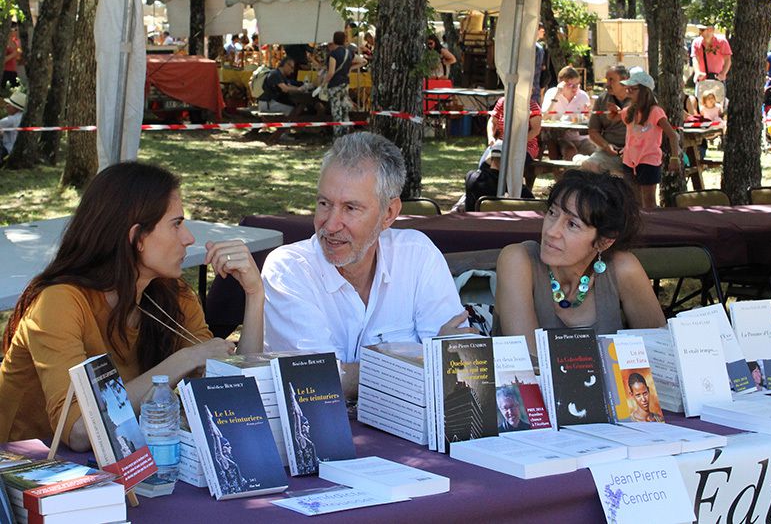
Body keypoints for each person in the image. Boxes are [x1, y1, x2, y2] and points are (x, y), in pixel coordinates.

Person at [0, 162, 265, 450]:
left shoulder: (171, 294)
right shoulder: (59, 301)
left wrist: (254, 295)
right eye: (176, 224)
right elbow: (79, 431)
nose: (189, 238)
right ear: (136, 237)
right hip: (27, 465)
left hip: (123, 460)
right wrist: (185, 359)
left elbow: (232, 389)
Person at [261, 132, 473, 396]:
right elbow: (315, 382)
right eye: (324, 203)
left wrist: (353, 373)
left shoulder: (417, 255)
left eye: (350, 208)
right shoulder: (289, 270)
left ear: (389, 214)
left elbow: (461, 363)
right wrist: (427, 362)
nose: (331, 224)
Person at [493, 170, 666, 358]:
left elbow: (661, 353)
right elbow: (528, 361)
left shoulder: (623, 269)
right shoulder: (518, 260)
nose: (551, 231)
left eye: (572, 224)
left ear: (604, 242)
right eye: (552, 213)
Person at [608, 70, 681, 209]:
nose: (628, 91)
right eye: (628, 88)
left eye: (633, 88)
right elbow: (614, 116)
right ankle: (640, 222)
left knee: (649, 201)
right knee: (634, 200)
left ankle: (651, 222)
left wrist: (674, 158)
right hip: (629, 161)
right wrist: (613, 112)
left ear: (645, 92)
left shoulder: (655, 111)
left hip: (648, 161)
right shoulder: (629, 111)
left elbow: (672, 135)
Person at [581, 64, 629, 177]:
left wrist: (630, 148)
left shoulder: (638, 99)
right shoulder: (602, 99)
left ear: (624, 80)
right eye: (607, 80)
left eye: (611, 80)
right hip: (608, 152)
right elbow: (593, 131)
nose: (607, 84)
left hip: (636, 153)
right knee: (588, 166)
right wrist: (606, 146)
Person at [486, 95, 542, 190]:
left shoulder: (532, 105)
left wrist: (518, 143)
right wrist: (491, 137)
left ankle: (506, 190)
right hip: (501, 144)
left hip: (526, 146)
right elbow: (492, 121)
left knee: (507, 164)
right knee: (484, 164)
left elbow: (536, 130)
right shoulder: (502, 101)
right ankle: (492, 189)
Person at [541, 66, 594, 160]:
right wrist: (557, 96)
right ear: (561, 85)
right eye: (570, 85)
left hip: (581, 137)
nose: (575, 88)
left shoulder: (582, 96)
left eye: (577, 84)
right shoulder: (552, 93)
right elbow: (544, 117)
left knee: (593, 153)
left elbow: (589, 119)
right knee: (570, 151)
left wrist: (589, 114)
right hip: (559, 137)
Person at [465, 140, 534, 211]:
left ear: (491, 158)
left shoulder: (472, 177)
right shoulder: (513, 187)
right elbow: (533, 203)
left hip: (475, 217)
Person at [325, 31, 366, 138]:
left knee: (336, 111)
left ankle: (338, 136)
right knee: (344, 111)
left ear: (334, 40)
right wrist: (350, 68)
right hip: (345, 84)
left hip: (334, 85)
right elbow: (363, 61)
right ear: (344, 40)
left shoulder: (333, 54)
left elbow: (331, 72)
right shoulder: (349, 53)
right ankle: (346, 135)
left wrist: (323, 83)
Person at [0, 90, 25, 159]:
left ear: (16, 108)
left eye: (9, 105)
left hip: (8, 149)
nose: (7, 106)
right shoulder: (22, 117)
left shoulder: (11, 119)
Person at [3, 23, 20, 89]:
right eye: (15, 30)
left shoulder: (15, 42)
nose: (17, 32)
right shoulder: (4, 43)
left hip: (14, 72)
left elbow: (17, 58)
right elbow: (2, 60)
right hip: (5, 72)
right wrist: (13, 55)